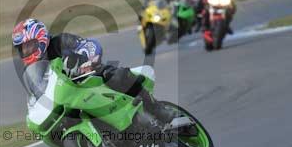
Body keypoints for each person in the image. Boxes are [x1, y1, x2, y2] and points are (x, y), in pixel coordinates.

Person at [12, 18, 176, 123]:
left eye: (29, 46)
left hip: (87, 77)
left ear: (40, 38)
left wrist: (87, 60)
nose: (26, 52)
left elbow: (89, 45)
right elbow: (38, 88)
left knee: (116, 75)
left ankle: (157, 109)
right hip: (67, 94)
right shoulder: (33, 70)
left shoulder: (59, 41)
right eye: (23, 49)